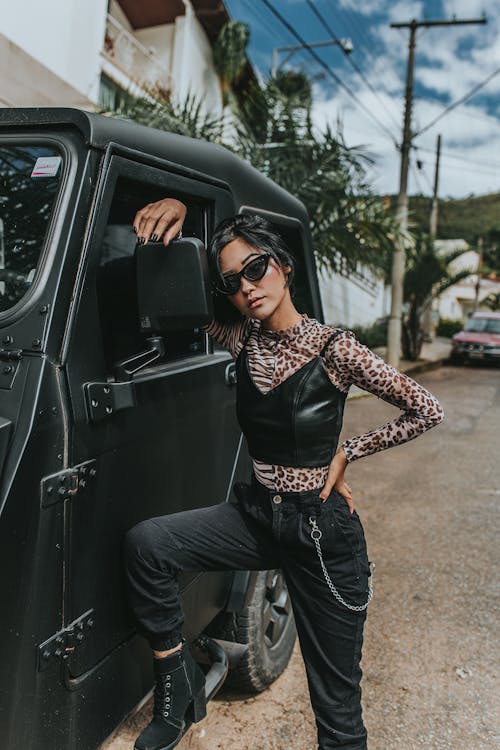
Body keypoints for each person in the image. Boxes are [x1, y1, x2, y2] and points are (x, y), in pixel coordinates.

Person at [124, 198, 445, 750]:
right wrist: (178, 214)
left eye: (256, 268)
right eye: (233, 281)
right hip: (258, 516)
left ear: (282, 265)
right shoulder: (240, 339)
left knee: (336, 712)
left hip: (321, 533)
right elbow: (180, 289)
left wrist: (349, 451)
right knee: (148, 545)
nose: (247, 286)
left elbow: (426, 408)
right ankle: (177, 690)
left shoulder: (337, 349)